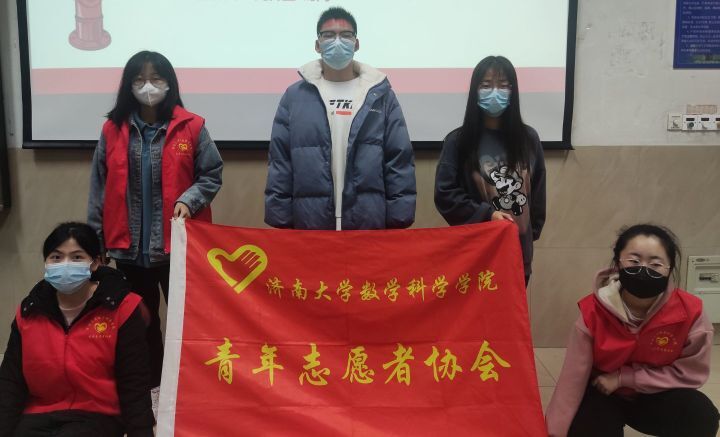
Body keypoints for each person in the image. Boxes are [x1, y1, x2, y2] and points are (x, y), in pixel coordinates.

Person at [87, 51, 223, 403]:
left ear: (169, 83)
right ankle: (152, 390)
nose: (148, 86)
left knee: (187, 321)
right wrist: (96, 243)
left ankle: (190, 389)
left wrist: (189, 200)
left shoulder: (192, 126)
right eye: (139, 79)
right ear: (128, 85)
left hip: (177, 248)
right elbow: (99, 188)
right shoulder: (112, 129)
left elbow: (211, 174)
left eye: (156, 78)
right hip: (128, 249)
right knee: (141, 322)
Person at [546, 224, 719, 437]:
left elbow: (691, 374)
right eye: (634, 261)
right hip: (603, 392)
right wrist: (554, 431)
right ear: (618, 262)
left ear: (670, 268)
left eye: (656, 264)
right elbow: (572, 377)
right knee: (584, 423)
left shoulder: (691, 312)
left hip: (657, 394)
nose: (643, 269)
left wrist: (624, 378)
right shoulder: (592, 312)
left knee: (701, 415)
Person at [264, 6, 416, 230]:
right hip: (310, 221)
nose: (337, 41)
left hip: (367, 222)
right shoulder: (295, 96)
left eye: (345, 35)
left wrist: (398, 217)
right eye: (328, 35)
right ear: (318, 45)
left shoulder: (380, 95)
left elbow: (398, 159)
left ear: (356, 43)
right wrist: (281, 217)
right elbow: (281, 161)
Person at [0, 222, 154, 437]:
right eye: (56, 257)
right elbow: (11, 381)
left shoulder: (123, 308)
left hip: (99, 415)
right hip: (39, 414)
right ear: (46, 263)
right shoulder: (29, 311)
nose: (65, 265)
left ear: (95, 263)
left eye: (77, 257)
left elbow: (134, 383)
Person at [434, 56, 545, 285]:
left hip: (517, 253)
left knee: (511, 309)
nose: (495, 92)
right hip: (475, 254)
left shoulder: (528, 139)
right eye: (486, 85)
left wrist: (527, 235)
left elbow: (537, 193)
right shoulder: (458, 141)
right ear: (475, 91)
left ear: (513, 91)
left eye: (503, 85)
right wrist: (487, 215)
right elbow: (445, 194)